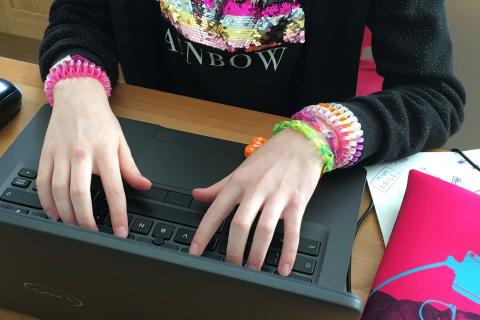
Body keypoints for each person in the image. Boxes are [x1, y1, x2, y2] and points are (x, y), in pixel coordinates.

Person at [38, 0, 465, 277]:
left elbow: (433, 94)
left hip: (300, 179)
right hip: (148, 153)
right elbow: (78, 19)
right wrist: (77, 86)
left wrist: (320, 136)